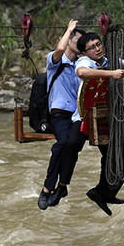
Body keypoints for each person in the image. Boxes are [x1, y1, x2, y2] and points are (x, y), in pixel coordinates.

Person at [54, 32, 124, 215]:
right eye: (92, 47)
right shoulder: (84, 63)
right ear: (84, 53)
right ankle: (62, 187)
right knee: (71, 146)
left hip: (104, 119)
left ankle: (103, 192)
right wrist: (111, 74)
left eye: (99, 44)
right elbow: (82, 73)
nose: (98, 49)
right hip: (86, 118)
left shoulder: (108, 60)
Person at [37, 20, 86, 210]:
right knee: (62, 145)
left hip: (77, 116)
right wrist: (69, 30)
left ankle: (60, 187)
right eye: (78, 40)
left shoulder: (81, 66)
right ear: (69, 41)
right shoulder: (55, 62)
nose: (80, 45)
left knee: (71, 146)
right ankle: (49, 188)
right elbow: (59, 49)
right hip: (59, 115)